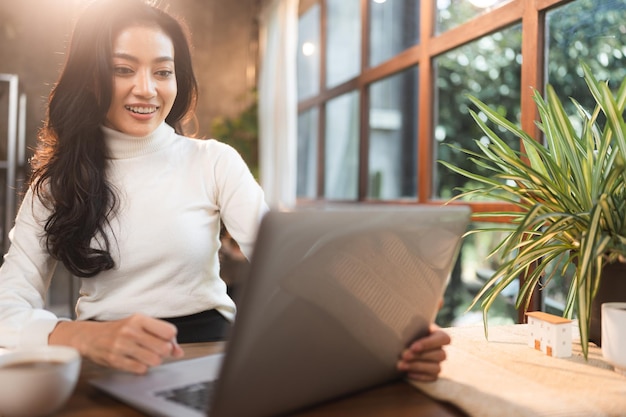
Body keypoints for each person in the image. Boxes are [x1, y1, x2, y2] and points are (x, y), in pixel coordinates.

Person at [0, 0, 450, 381]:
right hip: (107, 360)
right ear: (91, 76)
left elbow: (296, 267)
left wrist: (390, 337)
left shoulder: (213, 161)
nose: (147, 89)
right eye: (123, 69)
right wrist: (83, 336)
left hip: (212, 356)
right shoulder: (56, 184)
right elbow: (7, 308)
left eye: (163, 71)